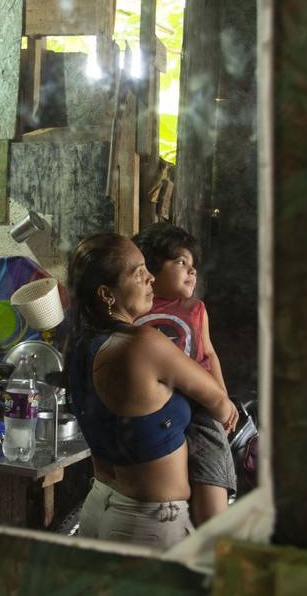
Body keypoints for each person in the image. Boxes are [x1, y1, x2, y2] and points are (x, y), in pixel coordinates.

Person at [65, 233, 237, 549]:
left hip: (99, 506)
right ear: (106, 294)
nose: (151, 278)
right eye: (138, 272)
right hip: (146, 524)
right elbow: (219, 402)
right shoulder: (143, 344)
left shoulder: (79, 345)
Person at [132, 223, 235, 525]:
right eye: (181, 262)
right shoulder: (136, 307)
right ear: (151, 268)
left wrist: (222, 396)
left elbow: (210, 354)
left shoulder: (195, 309)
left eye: (193, 266)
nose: (192, 271)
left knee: (210, 455)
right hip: (155, 403)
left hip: (199, 404)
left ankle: (212, 526)